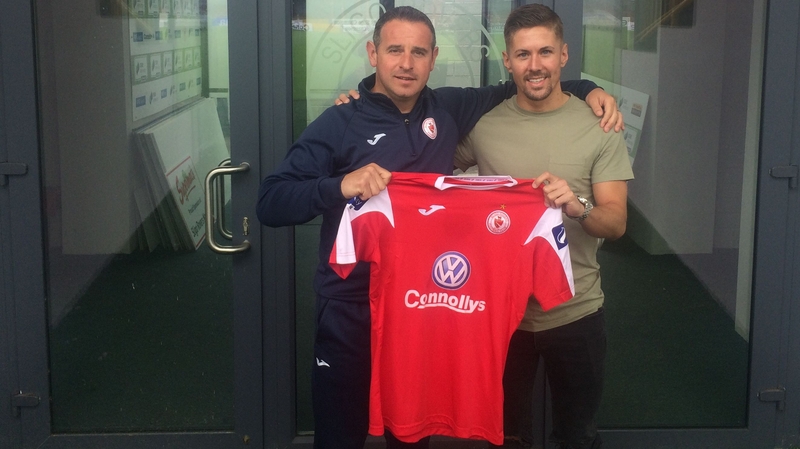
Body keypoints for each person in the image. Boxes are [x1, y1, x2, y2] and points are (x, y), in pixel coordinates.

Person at [257, 6, 621, 449]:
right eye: (394, 50)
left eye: (418, 52)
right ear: (374, 53)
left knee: (410, 434)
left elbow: (531, 80)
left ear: (434, 58)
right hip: (351, 309)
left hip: (419, 306)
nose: (406, 63)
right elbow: (271, 202)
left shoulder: (449, 107)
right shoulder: (341, 121)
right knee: (340, 433)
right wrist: (338, 186)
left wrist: (589, 88)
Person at [453, 4, 634, 449]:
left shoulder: (600, 125)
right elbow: (425, 175)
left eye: (545, 52)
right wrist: (363, 102)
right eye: (523, 55)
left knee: (577, 434)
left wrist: (578, 206)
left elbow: (616, 223)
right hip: (503, 313)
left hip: (577, 310)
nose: (535, 66)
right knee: (507, 434)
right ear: (507, 61)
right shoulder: (484, 126)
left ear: (564, 55)